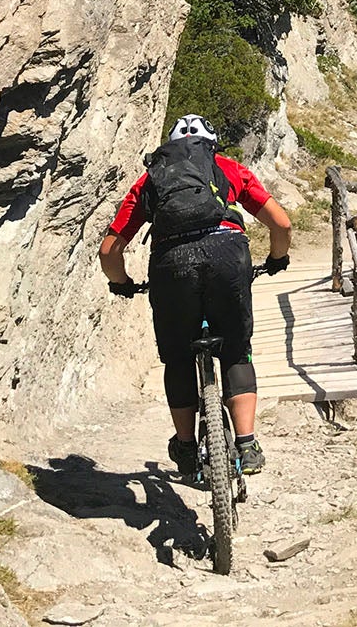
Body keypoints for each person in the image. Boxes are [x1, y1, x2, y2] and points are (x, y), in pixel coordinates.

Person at [99, 114, 292, 478]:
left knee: (178, 358)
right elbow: (281, 223)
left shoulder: (151, 179)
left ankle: (186, 447)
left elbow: (109, 250)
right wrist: (277, 258)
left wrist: (122, 282)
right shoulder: (229, 169)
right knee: (236, 350)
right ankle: (247, 445)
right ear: (211, 144)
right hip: (228, 258)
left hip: (172, 267)